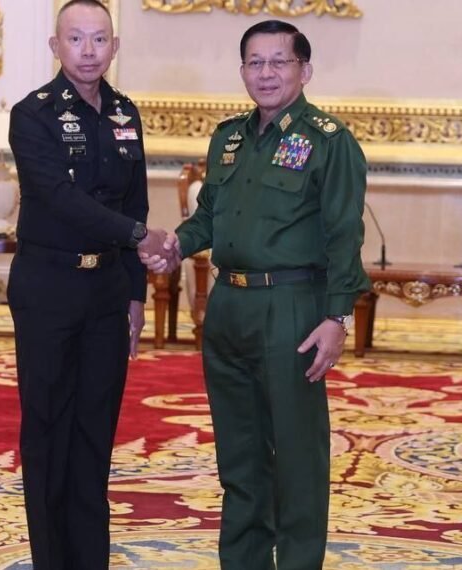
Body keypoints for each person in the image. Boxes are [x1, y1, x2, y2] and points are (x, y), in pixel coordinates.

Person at [143, 19, 369, 570]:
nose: (266, 73)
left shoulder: (329, 142)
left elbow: (345, 235)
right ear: (242, 70)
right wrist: (176, 245)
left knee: (297, 456)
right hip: (228, 306)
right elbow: (209, 216)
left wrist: (337, 317)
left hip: (291, 309)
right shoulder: (229, 138)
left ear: (304, 70)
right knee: (239, 456)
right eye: (254, 62)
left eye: (279, 61)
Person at [7, 1, 166, 567]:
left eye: (100, 39)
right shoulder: (33, 114)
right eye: (76, 39)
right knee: (48, 431)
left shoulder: (125, 113)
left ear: (114, 47)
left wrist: (135, 293)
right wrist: (139, 235)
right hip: (49, 288)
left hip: (106, 293)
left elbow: (135, 199)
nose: (89, 50)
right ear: (56, 46)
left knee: (95, 432)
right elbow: (58, 197)